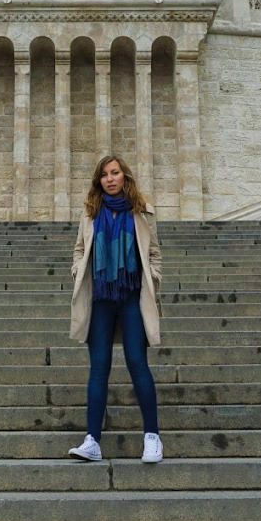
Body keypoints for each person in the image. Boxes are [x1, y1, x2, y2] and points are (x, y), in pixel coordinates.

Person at [68, 154, 164, 465]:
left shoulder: (142, 212)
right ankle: (92, 440)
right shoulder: (90, 212)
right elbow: (80, 250)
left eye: (115, 173)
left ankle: (152, 437)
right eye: (104, 175)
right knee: (98, 370)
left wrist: (152, 279)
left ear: (125, 176)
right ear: (99, 181)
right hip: (100, 299)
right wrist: (78, 271)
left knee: (138, 363)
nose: (110, 179)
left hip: (131, 297)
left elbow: (154, 253)